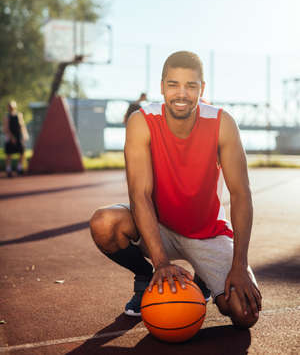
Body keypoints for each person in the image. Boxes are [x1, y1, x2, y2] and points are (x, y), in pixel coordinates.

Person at [90, 51, 262, 329]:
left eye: (190, 86)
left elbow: (241, 194)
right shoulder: (142, 121)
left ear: (202, 89)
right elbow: (139, 195)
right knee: (104, 223)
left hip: (208, 232)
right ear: (161, 87)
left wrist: (239, 265)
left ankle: (205, 279)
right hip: (159, 228)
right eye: (173, 84)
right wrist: (160, 263)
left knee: (246, 313)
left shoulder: (223, 123)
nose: (181, 93)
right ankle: (145, 277)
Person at [3, 100, 29, 177]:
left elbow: (22, 126)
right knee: (9, 154)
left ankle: (19, 168)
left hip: (18, 136)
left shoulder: (19, 115)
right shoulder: (6, 116)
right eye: (10, 107)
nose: (11, 108)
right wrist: (11, 137)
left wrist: (24, 135)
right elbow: (6, 128)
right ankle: (8, 169)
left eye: (12, 107)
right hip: (10, 137)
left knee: (22, 152)